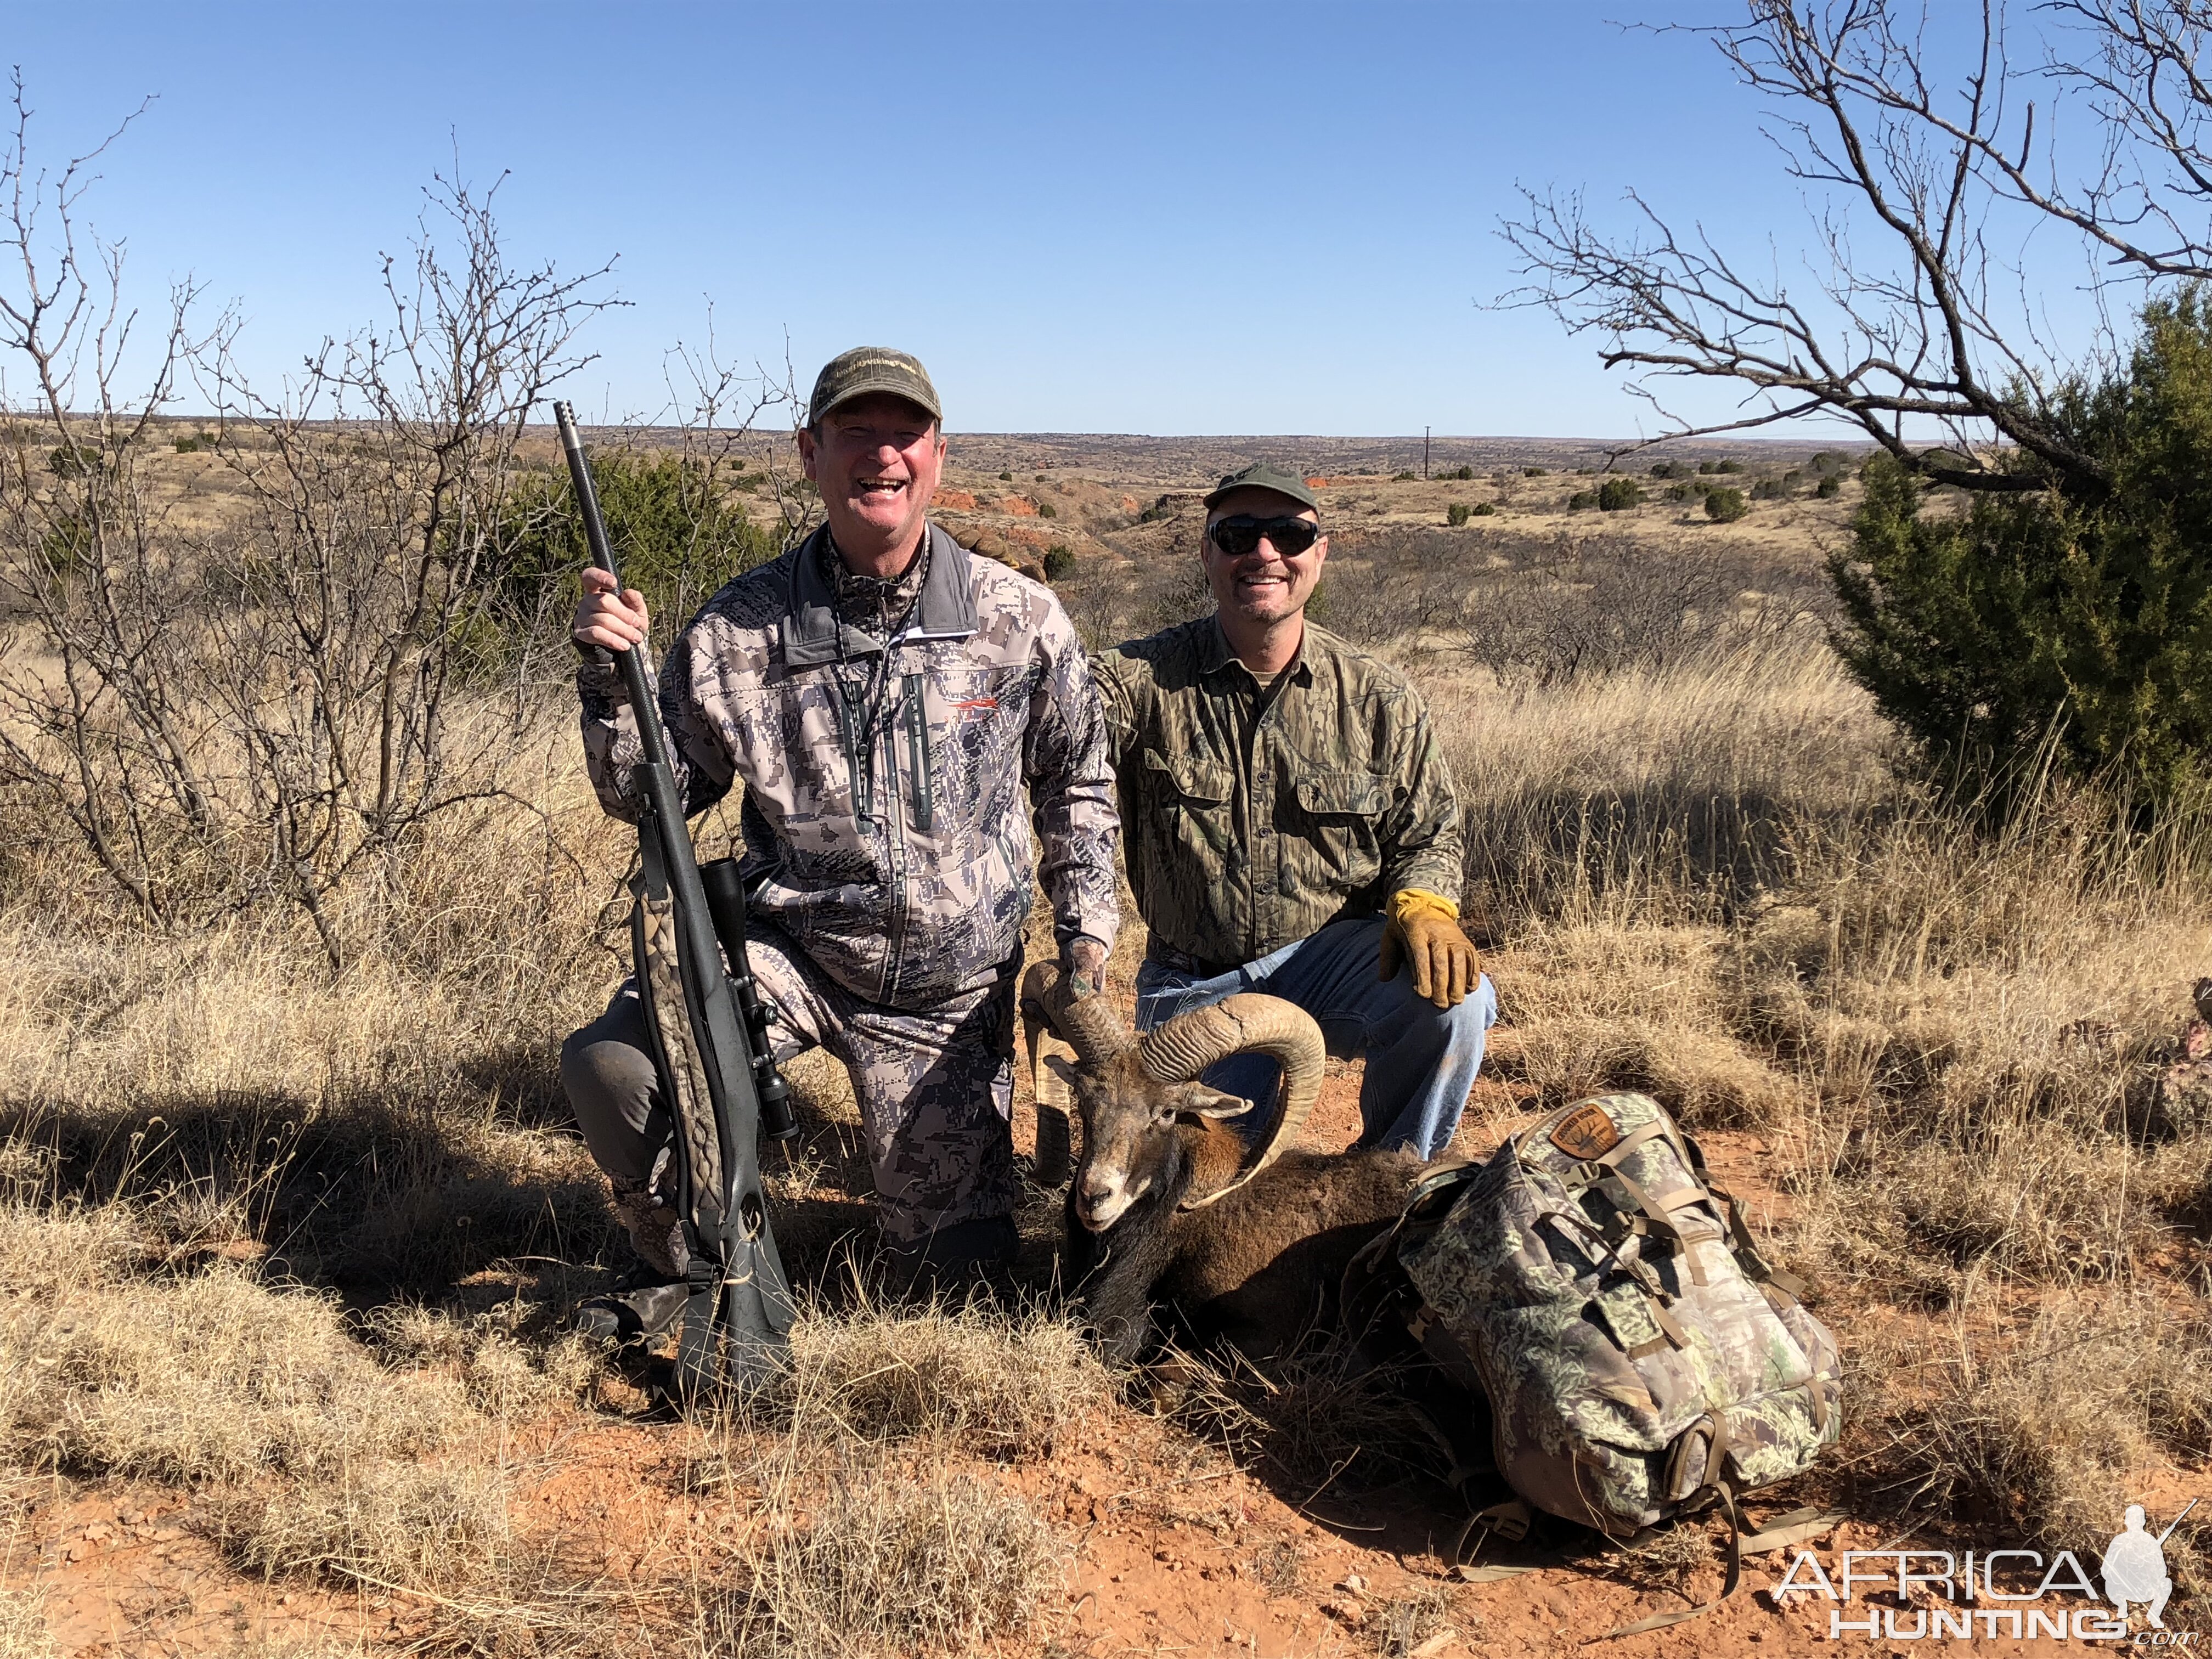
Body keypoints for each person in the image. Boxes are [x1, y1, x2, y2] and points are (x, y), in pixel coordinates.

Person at [561, 347, 1118, 1334]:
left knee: (954, 1296)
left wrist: (1085, 937)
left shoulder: (1018, 617)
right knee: (620, 1064)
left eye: (904, 434)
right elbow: (651, 797)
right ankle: (690, 1253)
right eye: (855, 433)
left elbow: (1076, 775)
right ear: (810, 452)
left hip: (948, 1000)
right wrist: (614, 681)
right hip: (793, 957)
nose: (882, 456)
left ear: (938, 456)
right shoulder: (737, 629)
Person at [1094, 461, 1494, 1158]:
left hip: (1333, 958)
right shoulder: (1138, 681)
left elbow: (1428, 832)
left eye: (1290, 533)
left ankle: (1387, 1194)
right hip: (1199, 984)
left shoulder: (1379, 699)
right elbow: (1051, 709)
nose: (1265, 554)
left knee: (1458, 1005)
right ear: (1206, 552)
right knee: (1208, 1194)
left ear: (1321, 551)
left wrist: (1426, 903)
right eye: (1239, 534)